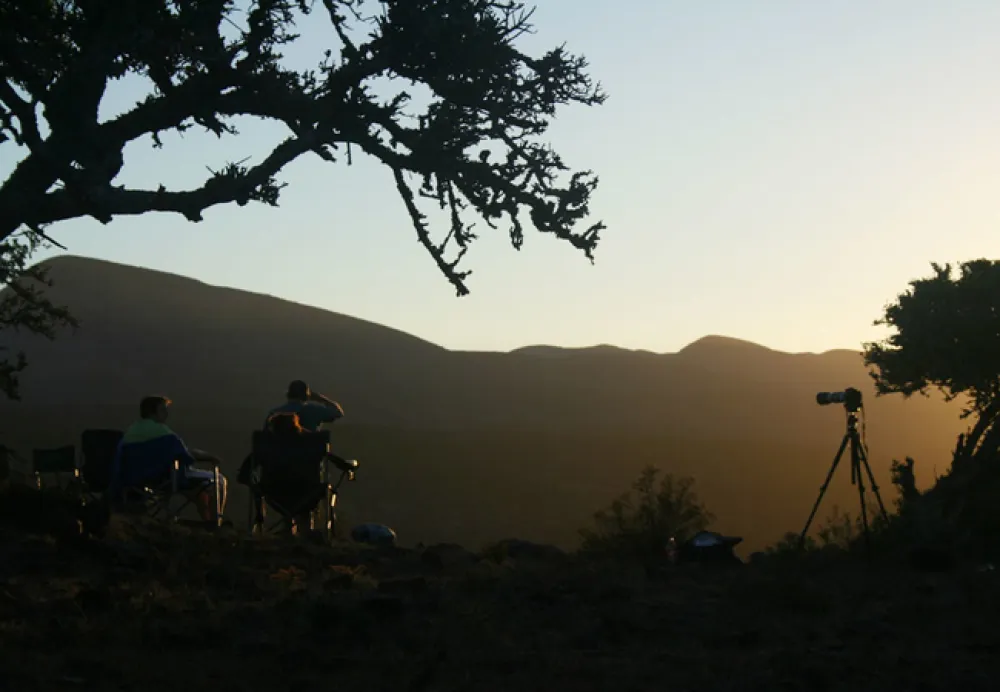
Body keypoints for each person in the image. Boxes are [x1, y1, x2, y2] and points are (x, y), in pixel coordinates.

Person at [111, 396, 228, 523]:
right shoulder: (163, 433)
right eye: (162, 410)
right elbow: (185, 454)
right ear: (152, 412)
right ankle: (216, 523)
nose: (166, 414)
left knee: (197, 490)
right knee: (219, 480)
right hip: (165, 479)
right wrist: (211, 457)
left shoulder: (130, 432)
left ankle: (208, 522)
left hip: (136, 479)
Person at [265, 380, 344, 432]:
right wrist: (320, 398)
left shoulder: (273, 413)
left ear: (288, 395)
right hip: (309, 455)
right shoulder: (315, 411)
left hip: (279, 456)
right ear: (307, 397)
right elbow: (338, 413)